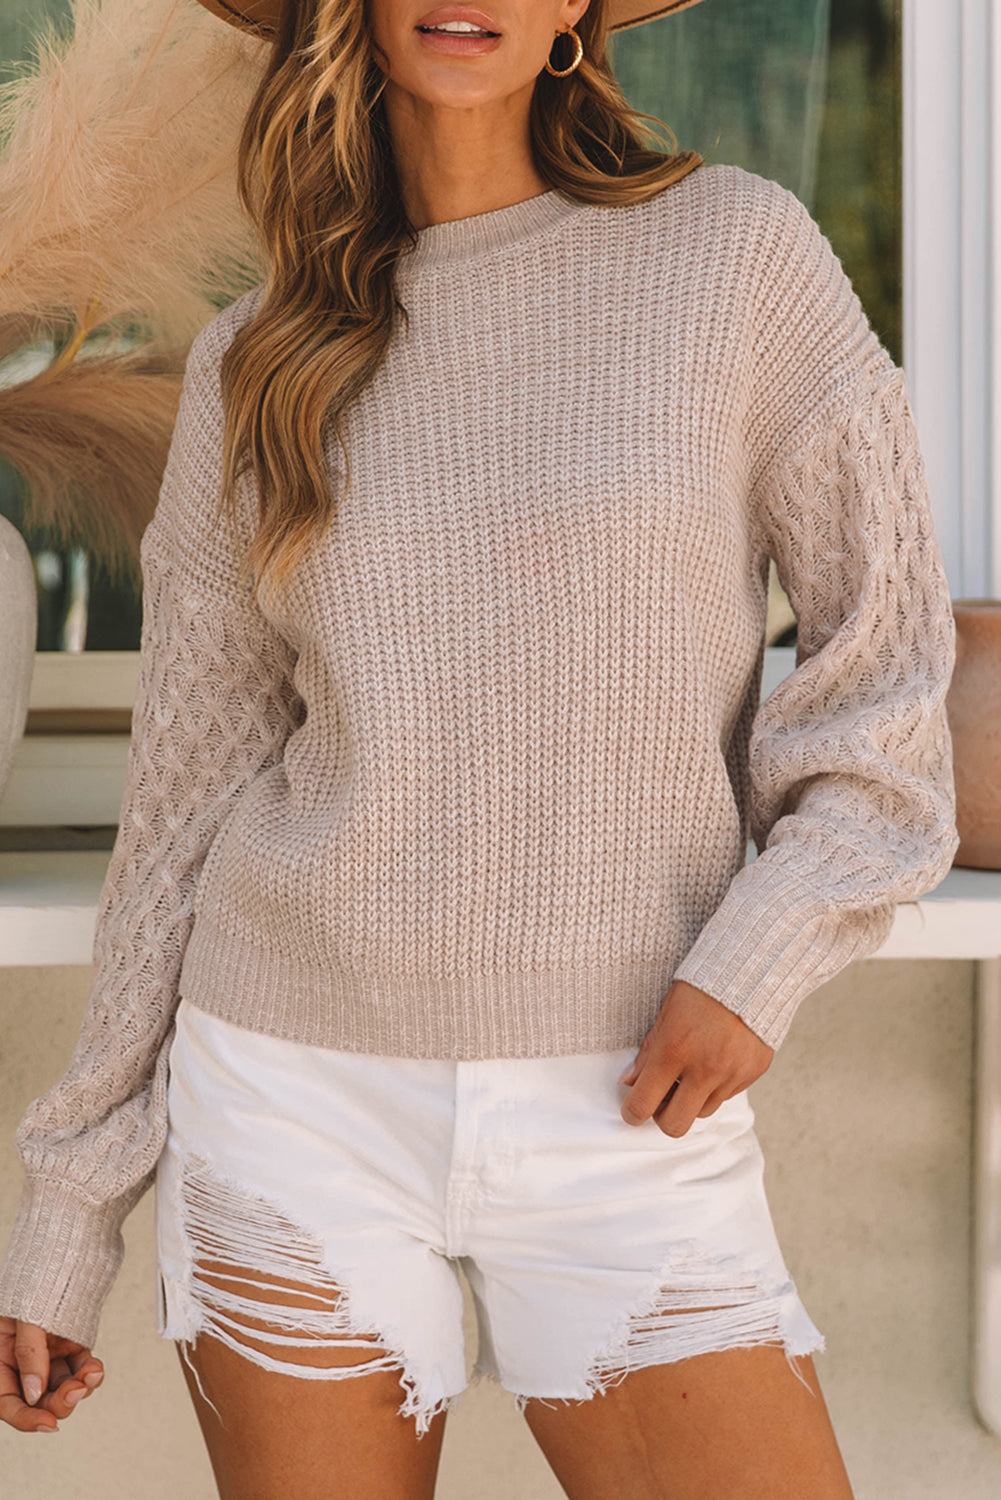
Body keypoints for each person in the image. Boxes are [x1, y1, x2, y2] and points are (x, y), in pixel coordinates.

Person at [0, 2, 959, 1496]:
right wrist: (69, 1211)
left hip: (627, 1096)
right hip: (289, 1096)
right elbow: (183, 803)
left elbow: (884, 682)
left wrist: (757, 960)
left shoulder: (735, 261)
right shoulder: (262, 355)